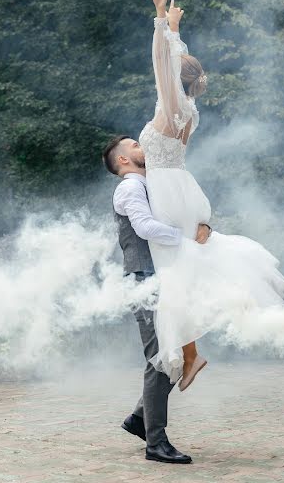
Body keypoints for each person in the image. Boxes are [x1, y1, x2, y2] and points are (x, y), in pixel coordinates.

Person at [135, 0, 284, 386]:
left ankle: (190, 355)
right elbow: (175, 65)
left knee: (175, 276)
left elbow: (162, 66)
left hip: (168, 193)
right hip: (182, 188)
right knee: (184, 271)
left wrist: (159, 22)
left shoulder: (172, 107)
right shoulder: (189, 108)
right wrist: (175, 30)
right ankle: (191, 354)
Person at [102, 135, 210, 464]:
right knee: (159, 360)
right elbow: (146, 227)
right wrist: (187, 238)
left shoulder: (153, 185)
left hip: (162, 278)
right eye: (134, 145)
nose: (142, 146)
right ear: (122, 160)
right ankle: (155, 443)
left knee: (172, 353)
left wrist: (201, 225)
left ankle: (139, 418)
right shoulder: (130, 188)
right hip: (144, 281)